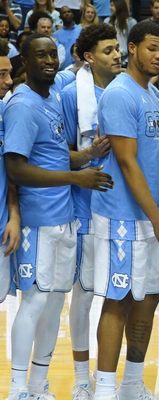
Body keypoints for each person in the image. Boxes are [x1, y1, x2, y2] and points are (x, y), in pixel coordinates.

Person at [4, 32, 112, 399]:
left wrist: (86, 156)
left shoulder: (48, 100)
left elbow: (50, 156)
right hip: (37, 221)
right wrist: (74, 176)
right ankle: (18, 387)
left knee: (52, 305)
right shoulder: (22, 105)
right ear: (26, 62)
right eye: (40, 55)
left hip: (63, 216)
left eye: (53, 54)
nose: (49, 60)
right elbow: (16, 168)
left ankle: (38, 385)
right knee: (33, 302)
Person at [91, 20, 159, 400]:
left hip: (147, 212)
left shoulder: (153, 95)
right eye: (151, 48)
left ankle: (131, 383)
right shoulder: (120, 94)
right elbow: (127, 164)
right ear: (132, 49)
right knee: (118, 300)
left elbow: (149, 159)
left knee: (147, 298)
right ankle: (105, 390)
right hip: (122, 216)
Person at [61, 23, 121, 400]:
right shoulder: (70, 96)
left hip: (123, 206)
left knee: (120, 297)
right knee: (84, 296)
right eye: (109, 50)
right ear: (88, 56)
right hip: (84, 207)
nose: (117, 55)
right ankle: (83, 379)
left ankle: (118, 379)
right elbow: (54, 155)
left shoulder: (130, 90)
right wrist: (87, 157)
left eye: (118, 49)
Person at [0, 37, 19, 313]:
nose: (9, 81)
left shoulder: (7, 111)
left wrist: (14, 214)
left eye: (9, 73)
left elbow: (13, 168)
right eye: (2, 74)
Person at [104, 0, 136, 64]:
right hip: (112, 56)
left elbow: (134, 41)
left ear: (119, 6)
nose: (110, 8)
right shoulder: (107, 22)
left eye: (112, 6)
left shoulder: (131, 22)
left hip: (127, 58)